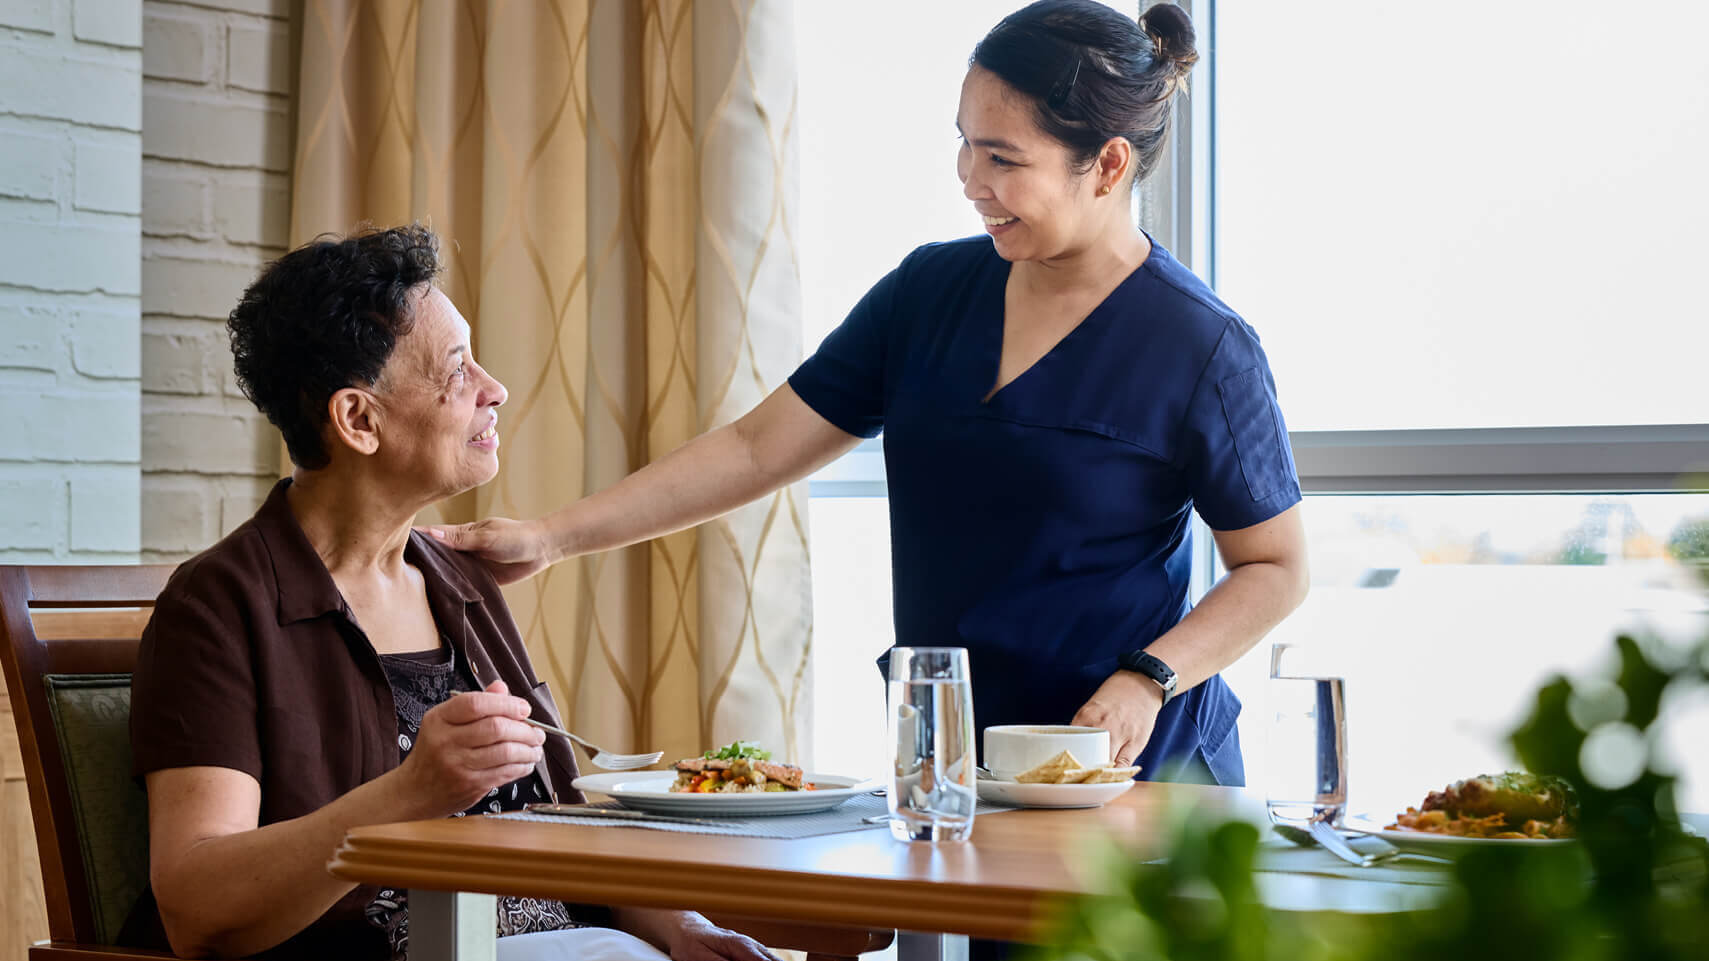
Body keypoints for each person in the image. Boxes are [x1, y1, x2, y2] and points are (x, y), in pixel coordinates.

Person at [427, 0, 1307, 788]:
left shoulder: (1200, 344)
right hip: (955, 765)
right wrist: (550, 537)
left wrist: (1148, 675)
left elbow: (1274, 566)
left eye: (1003, 157)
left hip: (1136, 776)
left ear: (1108, 165)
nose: (970, 178)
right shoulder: (927, 293)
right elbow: (752, 448)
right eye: (963, 141)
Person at [123, 225, 779, 961]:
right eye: (458, 369)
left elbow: (557, 819)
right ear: (359, 419)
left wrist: (679, 927)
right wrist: (407, 792)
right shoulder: (218, 606)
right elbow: (197, 906)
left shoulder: (456, 583)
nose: (493, 391)